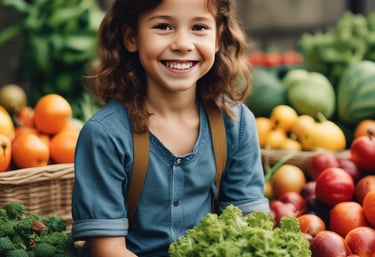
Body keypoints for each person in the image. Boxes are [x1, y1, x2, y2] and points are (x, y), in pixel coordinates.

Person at [70, 0, 270, 256]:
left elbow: (249, 225)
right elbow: (108, 249)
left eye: (199, 27)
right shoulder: (105, 135)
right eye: (164, 26)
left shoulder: (235, 123)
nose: (183, 44)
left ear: (218, 38)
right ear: (131, 37)